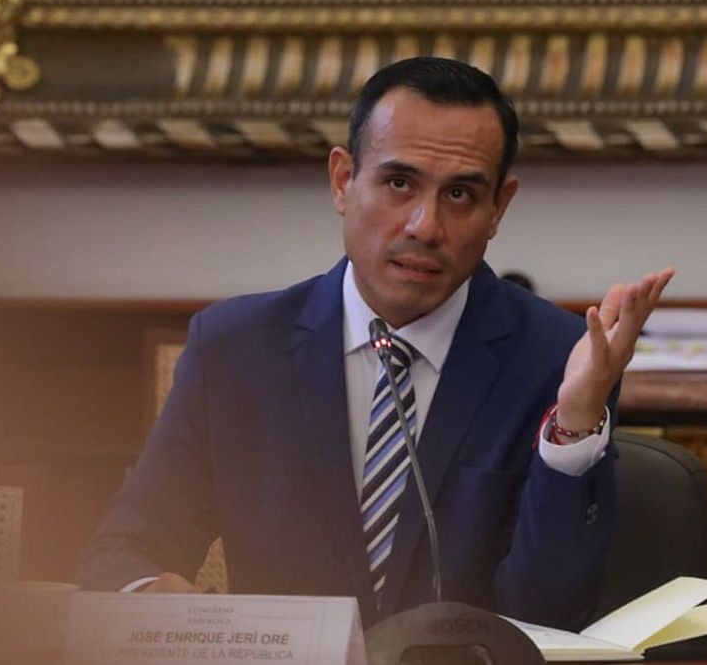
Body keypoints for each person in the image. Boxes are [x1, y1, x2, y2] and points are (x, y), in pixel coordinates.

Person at [79, 57, 673, 630]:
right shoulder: (235, 349)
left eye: (461, 195)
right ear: (343, 180)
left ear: (499, 207)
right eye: (398, 182)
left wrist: (574, 420)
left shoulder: (558, 357)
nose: (425, 226)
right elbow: (125, 552)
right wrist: (153, 595)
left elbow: (549, 617)